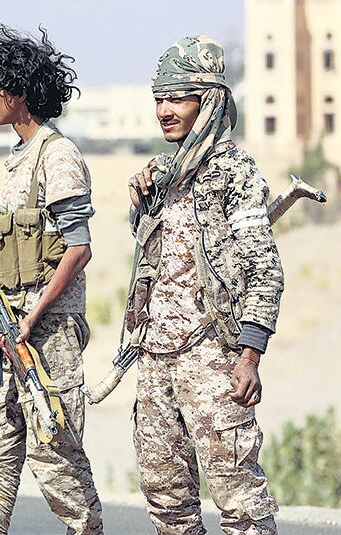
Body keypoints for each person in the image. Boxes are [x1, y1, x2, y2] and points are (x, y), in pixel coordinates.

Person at [126, 36, 282, 534]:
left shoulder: (234, 172)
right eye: (159, 99)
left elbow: (264, 269)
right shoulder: (164, 175)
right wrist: (140, 204)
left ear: (208, 100)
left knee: (241, 503)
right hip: (155, 357)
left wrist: (250, 354)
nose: (164, 110)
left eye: (177, 97)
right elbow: (157, 260)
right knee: (166, 501)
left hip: (212, 358)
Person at [0, 25, 103, 535]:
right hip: (13, 328)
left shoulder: (57, 155)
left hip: (48, 334)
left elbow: (78, 247)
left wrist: (34, 315)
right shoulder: (17, 159)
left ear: (19, 92)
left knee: (57, 456)